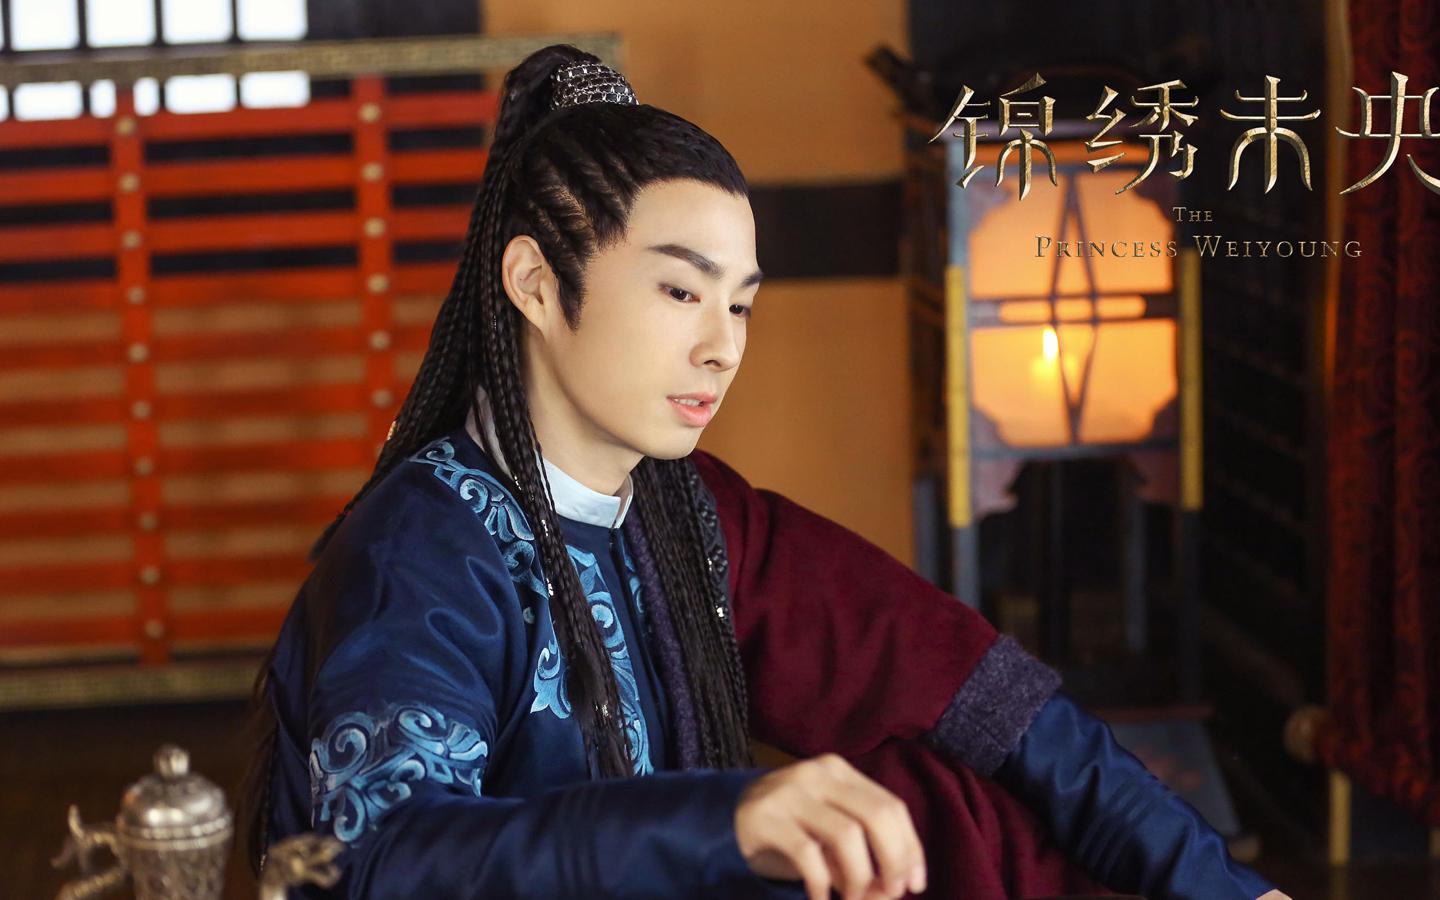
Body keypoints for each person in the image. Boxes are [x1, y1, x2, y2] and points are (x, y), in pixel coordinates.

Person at [235, 45, 1292, 900]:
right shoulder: (423, 549)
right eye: (679, 292)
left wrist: (1221, 887)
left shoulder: (691, 515)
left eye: (739, 302)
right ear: (537, 284)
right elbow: (380, 864)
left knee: (950, 806)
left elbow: (974, 693)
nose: (723, 347)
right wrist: (725, 819)